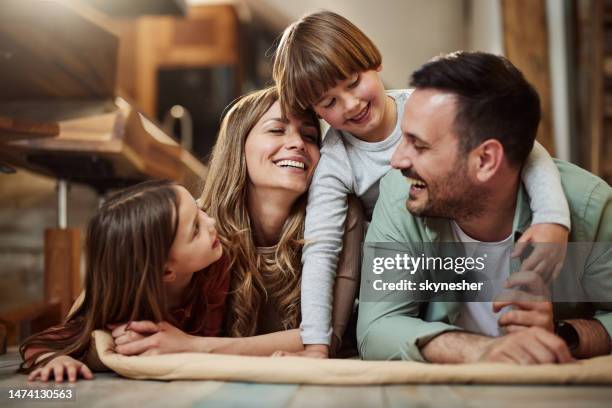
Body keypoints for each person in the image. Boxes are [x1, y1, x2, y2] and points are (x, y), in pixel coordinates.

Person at [272, 10, 572, 358]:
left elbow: (525, 148)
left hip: (474, 237)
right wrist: (316, 346)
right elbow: (321, 249)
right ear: (317, 112)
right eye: (329, 101)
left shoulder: (427, 107)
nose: (351, 104)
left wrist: (552, 219)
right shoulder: (336, 162)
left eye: (353, 82)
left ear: (375, 62)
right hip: (412, 267)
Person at [357, 51, 612, 364]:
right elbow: (377, 326)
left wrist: (562, 334)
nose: (397, 161)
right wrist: (482, 350)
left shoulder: (589, 206)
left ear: (486, 160)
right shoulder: (402, 194)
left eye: (419, 145)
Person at [109, 87, 363, 357]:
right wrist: (65, 351)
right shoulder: (200, 228)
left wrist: (193, 346)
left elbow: (324, 338)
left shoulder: (343, 216)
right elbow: (104, 302)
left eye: (310, 136)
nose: (298, 143)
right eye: (277, 130)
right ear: (238, 144)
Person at [21, 180, 228, 382]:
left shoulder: (217, 269)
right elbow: (40, 344)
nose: (211, 222)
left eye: (200, 210)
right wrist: (59, 360)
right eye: (195, 230)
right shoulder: (123, 313)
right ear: (165, 271)